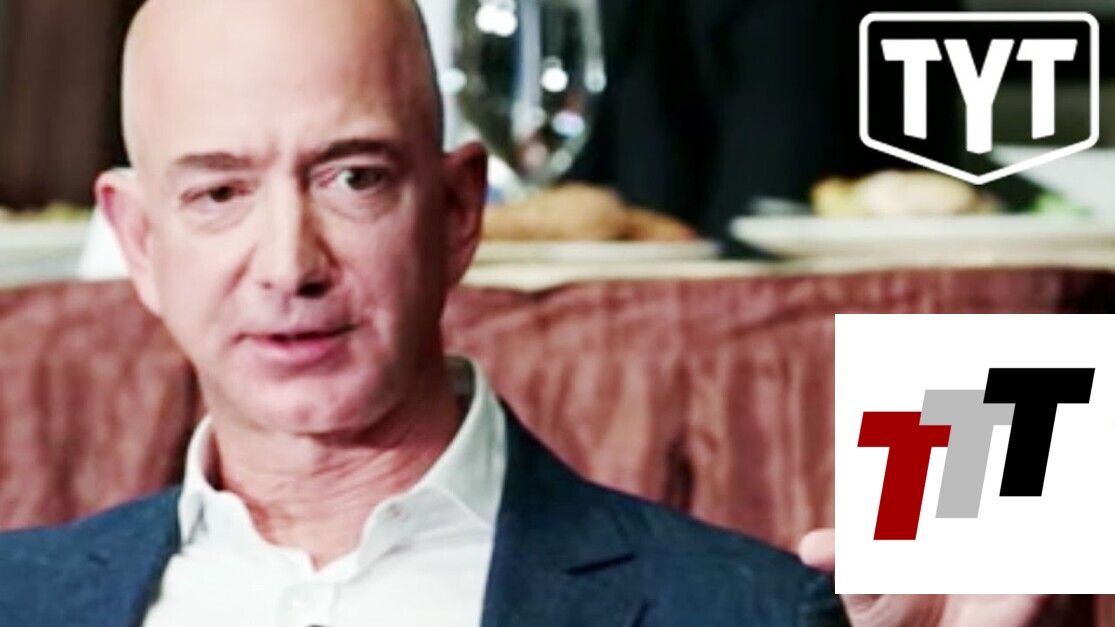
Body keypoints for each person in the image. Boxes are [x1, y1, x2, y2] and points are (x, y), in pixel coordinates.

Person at [0, 0, 1047, 625]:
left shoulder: (749, 608)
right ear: (139, 241)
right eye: (219, 192)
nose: (289, 264)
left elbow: (1026, 342)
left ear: (459, 210)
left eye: (353, 178)